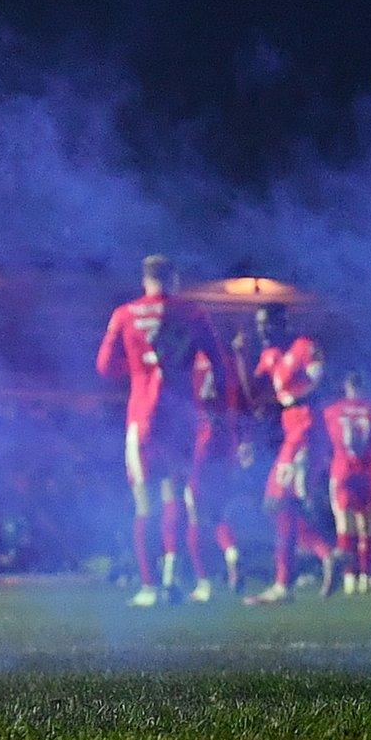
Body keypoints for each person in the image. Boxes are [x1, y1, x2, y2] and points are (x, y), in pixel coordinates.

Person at [95, 254, 230, 606]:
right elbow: (219, 362)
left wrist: (140, 369)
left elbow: (105, 367)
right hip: (181, 418)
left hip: (143, 417)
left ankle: (149, 587)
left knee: (144, 504)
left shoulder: (124, 314)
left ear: (145, 280)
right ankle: (173, 578)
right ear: (174, 279)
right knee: (177, 496)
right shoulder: (193, 312)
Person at [245, 307, 339, 603]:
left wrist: (287, 395)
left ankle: (286, 583)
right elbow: (253, 389)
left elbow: (316, 380)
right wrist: (238, 356)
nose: (262, 331)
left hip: (306, 430)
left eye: (267, 324)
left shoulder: (304, 347)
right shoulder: (269, 355)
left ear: (281, 323)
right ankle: (325, 556)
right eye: (258, 326)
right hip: (291, 432)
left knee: (279, 502)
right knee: (281, 506)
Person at [182, 350, 244, 602]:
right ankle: (232, 553)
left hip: (203, 439)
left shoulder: (192, 359)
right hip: (226, 441)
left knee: (194, 510)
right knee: (218, 513)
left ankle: (204, 583)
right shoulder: (227, 360)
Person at [323, 371, 371, 595]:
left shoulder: (332, 411)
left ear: (346, 386)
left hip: (342, 470)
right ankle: (366, 576)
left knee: (344, 525)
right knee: (367, 526)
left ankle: (348, 578)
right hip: (366, 470)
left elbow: (325, 441)